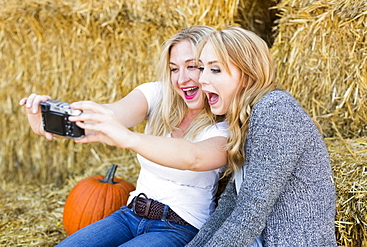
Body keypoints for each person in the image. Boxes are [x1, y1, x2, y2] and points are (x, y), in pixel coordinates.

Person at [19, 26, 229, 247]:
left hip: (180, 228)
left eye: (192, 66)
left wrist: (129, 139)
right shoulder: (158, 95)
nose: (181, 79)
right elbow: (111, 115)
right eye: (174, 69)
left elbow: (193, 158)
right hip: (129, 215)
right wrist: (49, 122)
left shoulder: (225, 124)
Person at [186, 26, 337, 246]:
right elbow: (229, 207)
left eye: (215, 70)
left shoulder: (276, 111)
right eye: (201, 68)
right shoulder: (247, 120)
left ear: (247, 76)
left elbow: (249, 216)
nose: (201, 79)